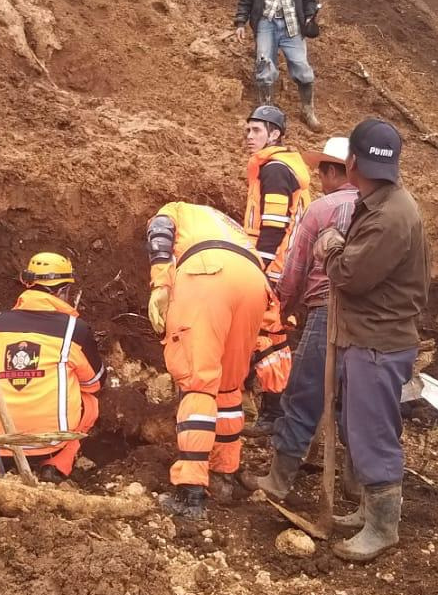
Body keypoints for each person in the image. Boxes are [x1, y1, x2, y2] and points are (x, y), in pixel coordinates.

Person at [314, 118, 429, 562]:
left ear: (352, 162)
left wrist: (331, 250)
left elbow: (352, 275)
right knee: (363, 427)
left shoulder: (390, 215)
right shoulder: (381, 203)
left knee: (373, 431)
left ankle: (383, 526)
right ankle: (370, 510)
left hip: (379, 340)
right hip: (370, 335)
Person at [241, 136, 358, 498]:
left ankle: (278, 479)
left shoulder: (323, 210)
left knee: (303, 393)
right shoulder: (380, 208)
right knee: (356, 399)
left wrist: (285, 306)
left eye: (323, 169)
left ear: (335, 171)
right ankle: (356, 485)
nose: (320, 177)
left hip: (327, 311)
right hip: (373, 319)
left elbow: (295, 268)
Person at [146, 202, 271, 521]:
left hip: (206, 274)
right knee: (228, 387)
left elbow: (159, 233)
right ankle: (223, 475)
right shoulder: (230, 226)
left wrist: (161, 282)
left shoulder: (176, 209)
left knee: (198, 385)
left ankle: (190, 491)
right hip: (254, 283)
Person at [0, 253, 104, 483]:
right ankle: (57, 465)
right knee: (90, 401)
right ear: (62, 292)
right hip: (48, 443)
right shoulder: (74, 330)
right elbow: (95, 383)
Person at [241, 104, 311, 436]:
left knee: (269, 336)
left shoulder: (276, 170)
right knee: (273, 335)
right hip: (282, 266)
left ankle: (273, 412)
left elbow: (273, 225)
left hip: (275, 268)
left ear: (275, 134)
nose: (249, 137)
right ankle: (271, 407)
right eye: (248, 130)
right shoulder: (279, 167)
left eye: (256, 130)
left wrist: (260, 267)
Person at [233, 0, 322, 130]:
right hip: (266, 22)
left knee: (302, 67)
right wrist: (240, 22)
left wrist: (310, 15)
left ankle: (307, 109)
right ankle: (267, 111)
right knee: (264, 66)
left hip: (292, 23)